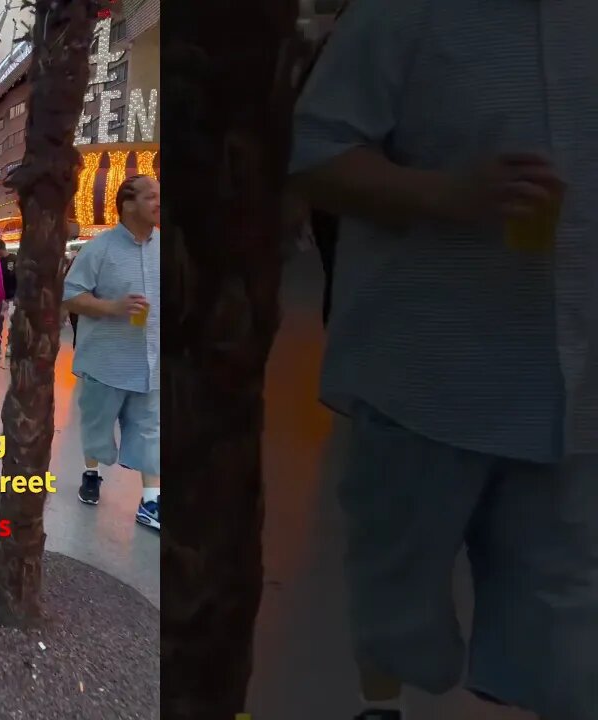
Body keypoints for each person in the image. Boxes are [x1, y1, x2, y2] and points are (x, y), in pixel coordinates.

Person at [289, 2, 598, 719]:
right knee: (398, 584)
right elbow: (314, 151)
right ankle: (382, 703)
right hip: (425, 372)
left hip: (575, 383)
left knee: (566, 607)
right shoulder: (405, 11)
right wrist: (448, 196)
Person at [62, 175, 160, 531]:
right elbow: (70, 295)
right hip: (106, 362)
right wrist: (113, 308)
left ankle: (151, 501)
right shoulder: (98, 250)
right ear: (128, 204)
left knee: (151, 430)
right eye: (151, 196)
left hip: (151, 364)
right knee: (98, 427)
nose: (158, 203)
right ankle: (92, 473)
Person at [0, 239, 17, 357]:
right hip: (1, 296)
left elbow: (19, 278)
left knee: (12, 321)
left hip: (12, 296)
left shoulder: (14, 259)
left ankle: (10, 345)